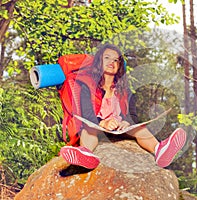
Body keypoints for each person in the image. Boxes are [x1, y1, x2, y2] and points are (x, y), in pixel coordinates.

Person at [59, 43, 187, 169]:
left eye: (116, 60)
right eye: (107, 58)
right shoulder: (87, 86)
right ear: (99, 62)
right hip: (97, 127)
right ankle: (86, 154)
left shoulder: (124, 90)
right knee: (88, 130)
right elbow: (86, 115)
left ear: (119, 66)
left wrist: (127, 122)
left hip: (120, 129)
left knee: (139, 129)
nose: (112, 62)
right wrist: (103, 123)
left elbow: (132, 115)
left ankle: (159, 149)